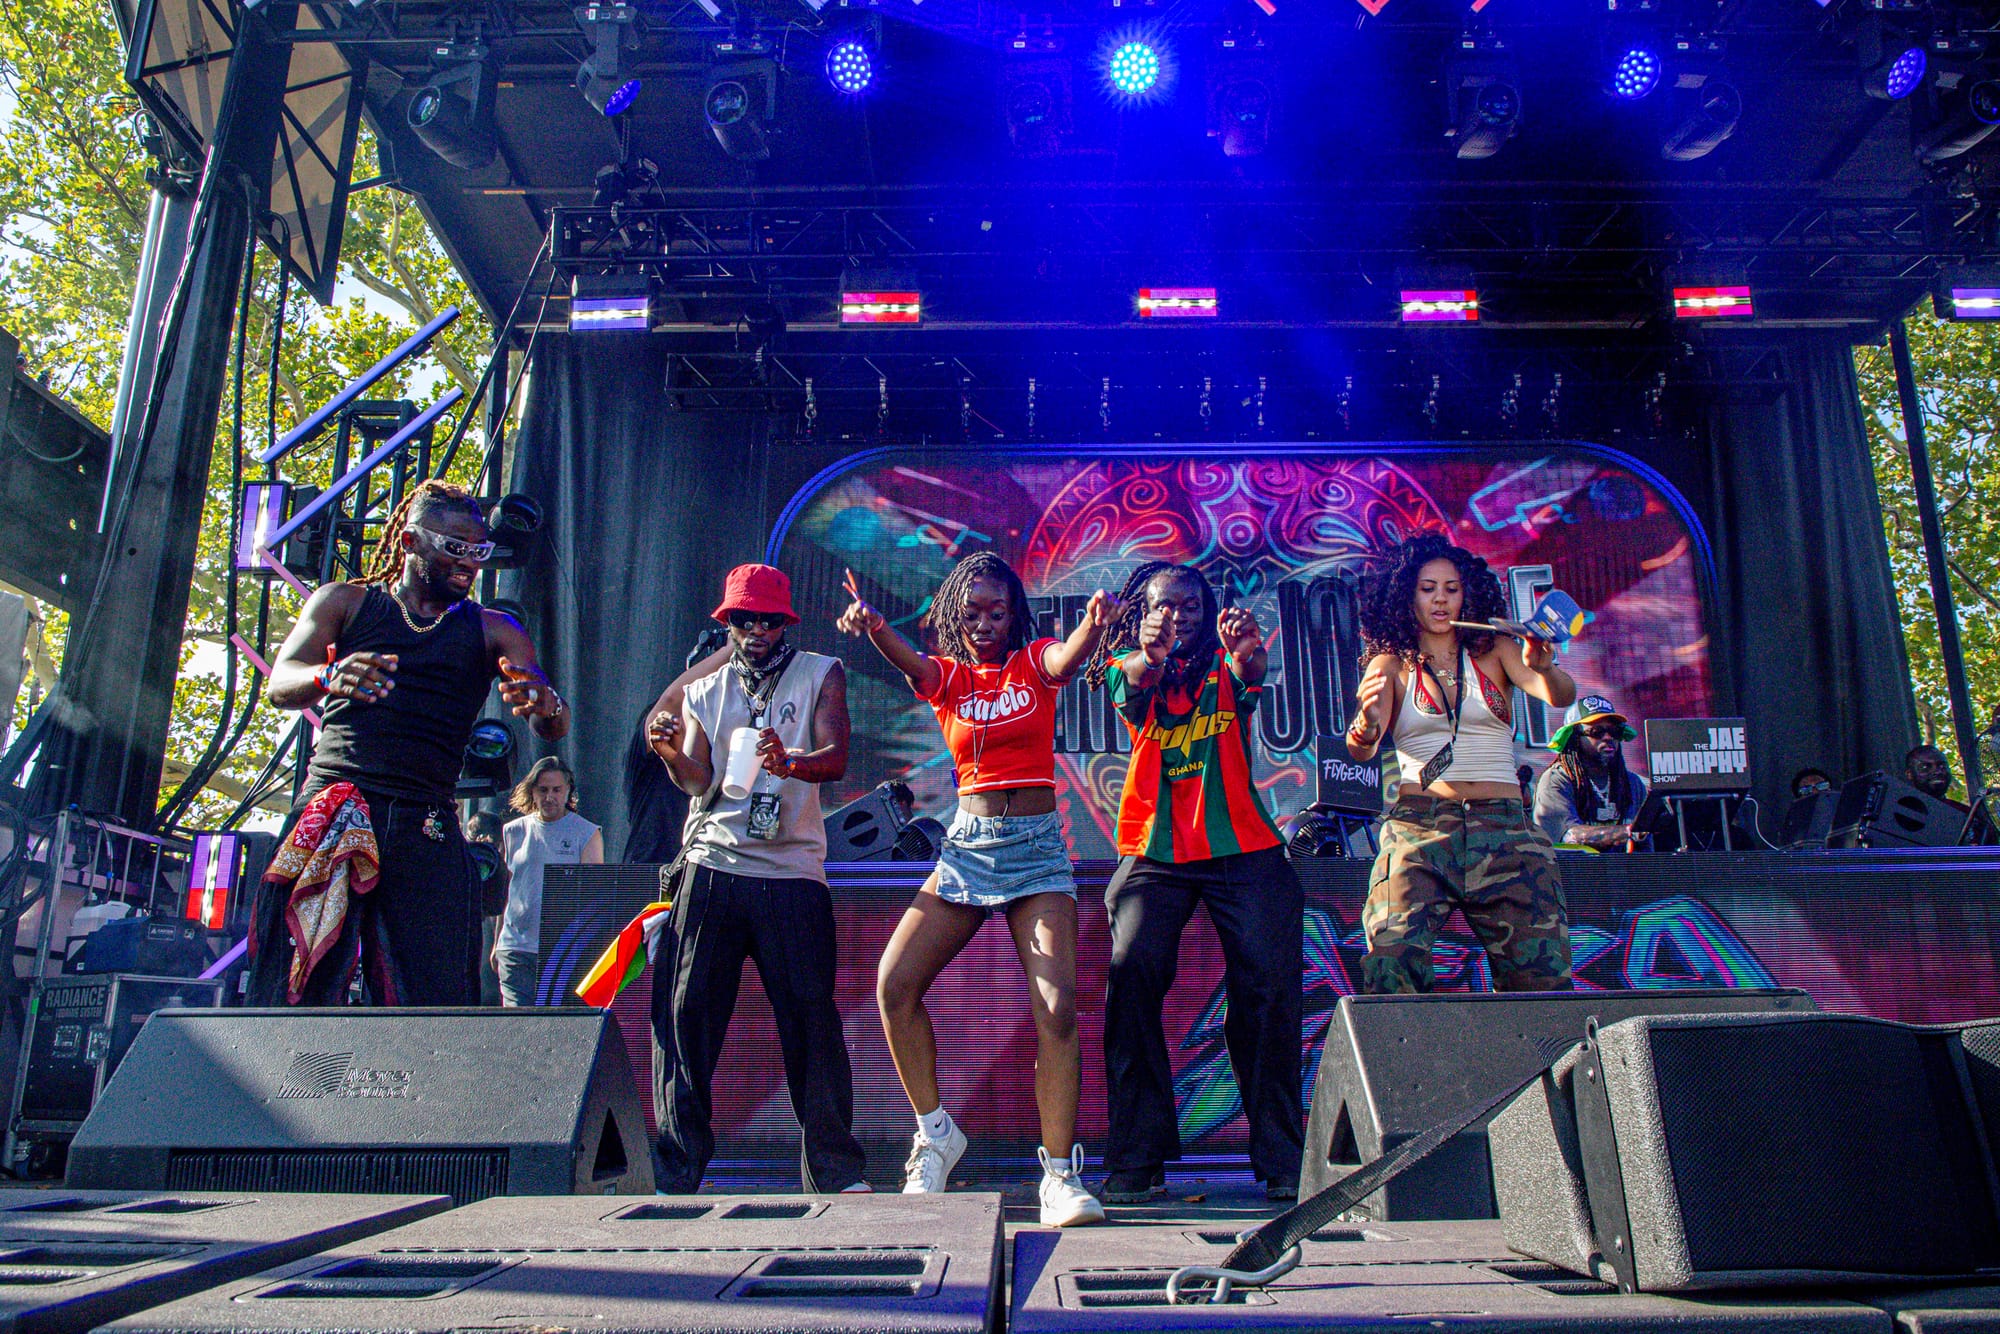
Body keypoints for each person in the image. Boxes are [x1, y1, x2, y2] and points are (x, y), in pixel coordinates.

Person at [838, 553, 1117, 1227]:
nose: (985, 623)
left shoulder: (1033, 663)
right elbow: (911, 661)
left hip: (1037, 853)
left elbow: (1065, 662)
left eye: (997, 611)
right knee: (893, 983)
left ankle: (1058, 1177)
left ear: (1014, 614)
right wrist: (875, 626)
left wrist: (1092, 628)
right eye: (971, 614)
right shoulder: (950, 680)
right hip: (967, 850)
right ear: (953, 620)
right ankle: (935, 1135)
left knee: (1057, 1007)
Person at [248, 480, 568, 1006]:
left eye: (479, 551)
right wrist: (328, 676)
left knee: (435, 991)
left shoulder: (494, 629)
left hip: (427, 819)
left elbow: (552, 723)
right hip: (338, 803)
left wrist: (544, 704)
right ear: (410, 542)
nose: (470, 563)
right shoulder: (347, 602)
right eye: (455, 549)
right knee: (294, 978)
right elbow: (281, 681)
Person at [643, 564, 868, 1194]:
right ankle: (676, 1170)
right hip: (712, 864)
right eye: (746, 620)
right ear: (728, 622)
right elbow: (699, 782)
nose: (759, 631)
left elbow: (838, 757)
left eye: (770, 620)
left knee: (810, 1020)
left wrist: (789, 760)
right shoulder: (704, 690)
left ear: (786, 622)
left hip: (792, 871)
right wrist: (670, 755)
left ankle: (834, 1172)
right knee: (686, 1018)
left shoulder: (820, 672)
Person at [1093, 562, 1304, 1205]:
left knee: (1268, 987)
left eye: (1189, 605)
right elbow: (1133, 684)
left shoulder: (1225, 662)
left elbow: (1250, 679)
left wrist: (1249, 658)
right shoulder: (1127, 663)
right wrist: (1148, 654)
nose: (1177, 616)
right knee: (1131, 975)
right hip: (1156, 848)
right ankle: (1137, 1158)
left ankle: (1282, 1158)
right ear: (1144, 611)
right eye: (1164, 606)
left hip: (1244, 846)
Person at [1345, 533, 1578, 995]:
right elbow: (1362, 750)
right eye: (1428, 588)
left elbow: (1561, 695)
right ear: (1407, 593)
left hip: (1506, 827)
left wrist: (1545, 665)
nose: (1440, 599)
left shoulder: (1495, 651)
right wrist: (1366, 724)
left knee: (1542, 978)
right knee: (1391, 962)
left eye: (1451, 588)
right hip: (1421, 828)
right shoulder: (1390, 664)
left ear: (1467, 593)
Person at [494, 756, 604, 1007]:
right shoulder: (514, 831)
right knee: (517, 1026)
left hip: (561, 950)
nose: (549, 797)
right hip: (516, 946)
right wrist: (498, 939)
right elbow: (505, 890)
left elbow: (594, 896)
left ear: (568, 792)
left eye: (556, 790)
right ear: (532, 791)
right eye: (543, 790)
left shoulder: (586, 833)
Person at [1534, 695, 1649, 850]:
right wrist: (1627, 832)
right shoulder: (1556, 780)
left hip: (1622, 872)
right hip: (1575, 872)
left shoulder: (1632, 783)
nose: (1608, 737)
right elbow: (1570, 835)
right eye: (1596, 731)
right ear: (1574, 738)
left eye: (1614, 731)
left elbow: (1646, 848)